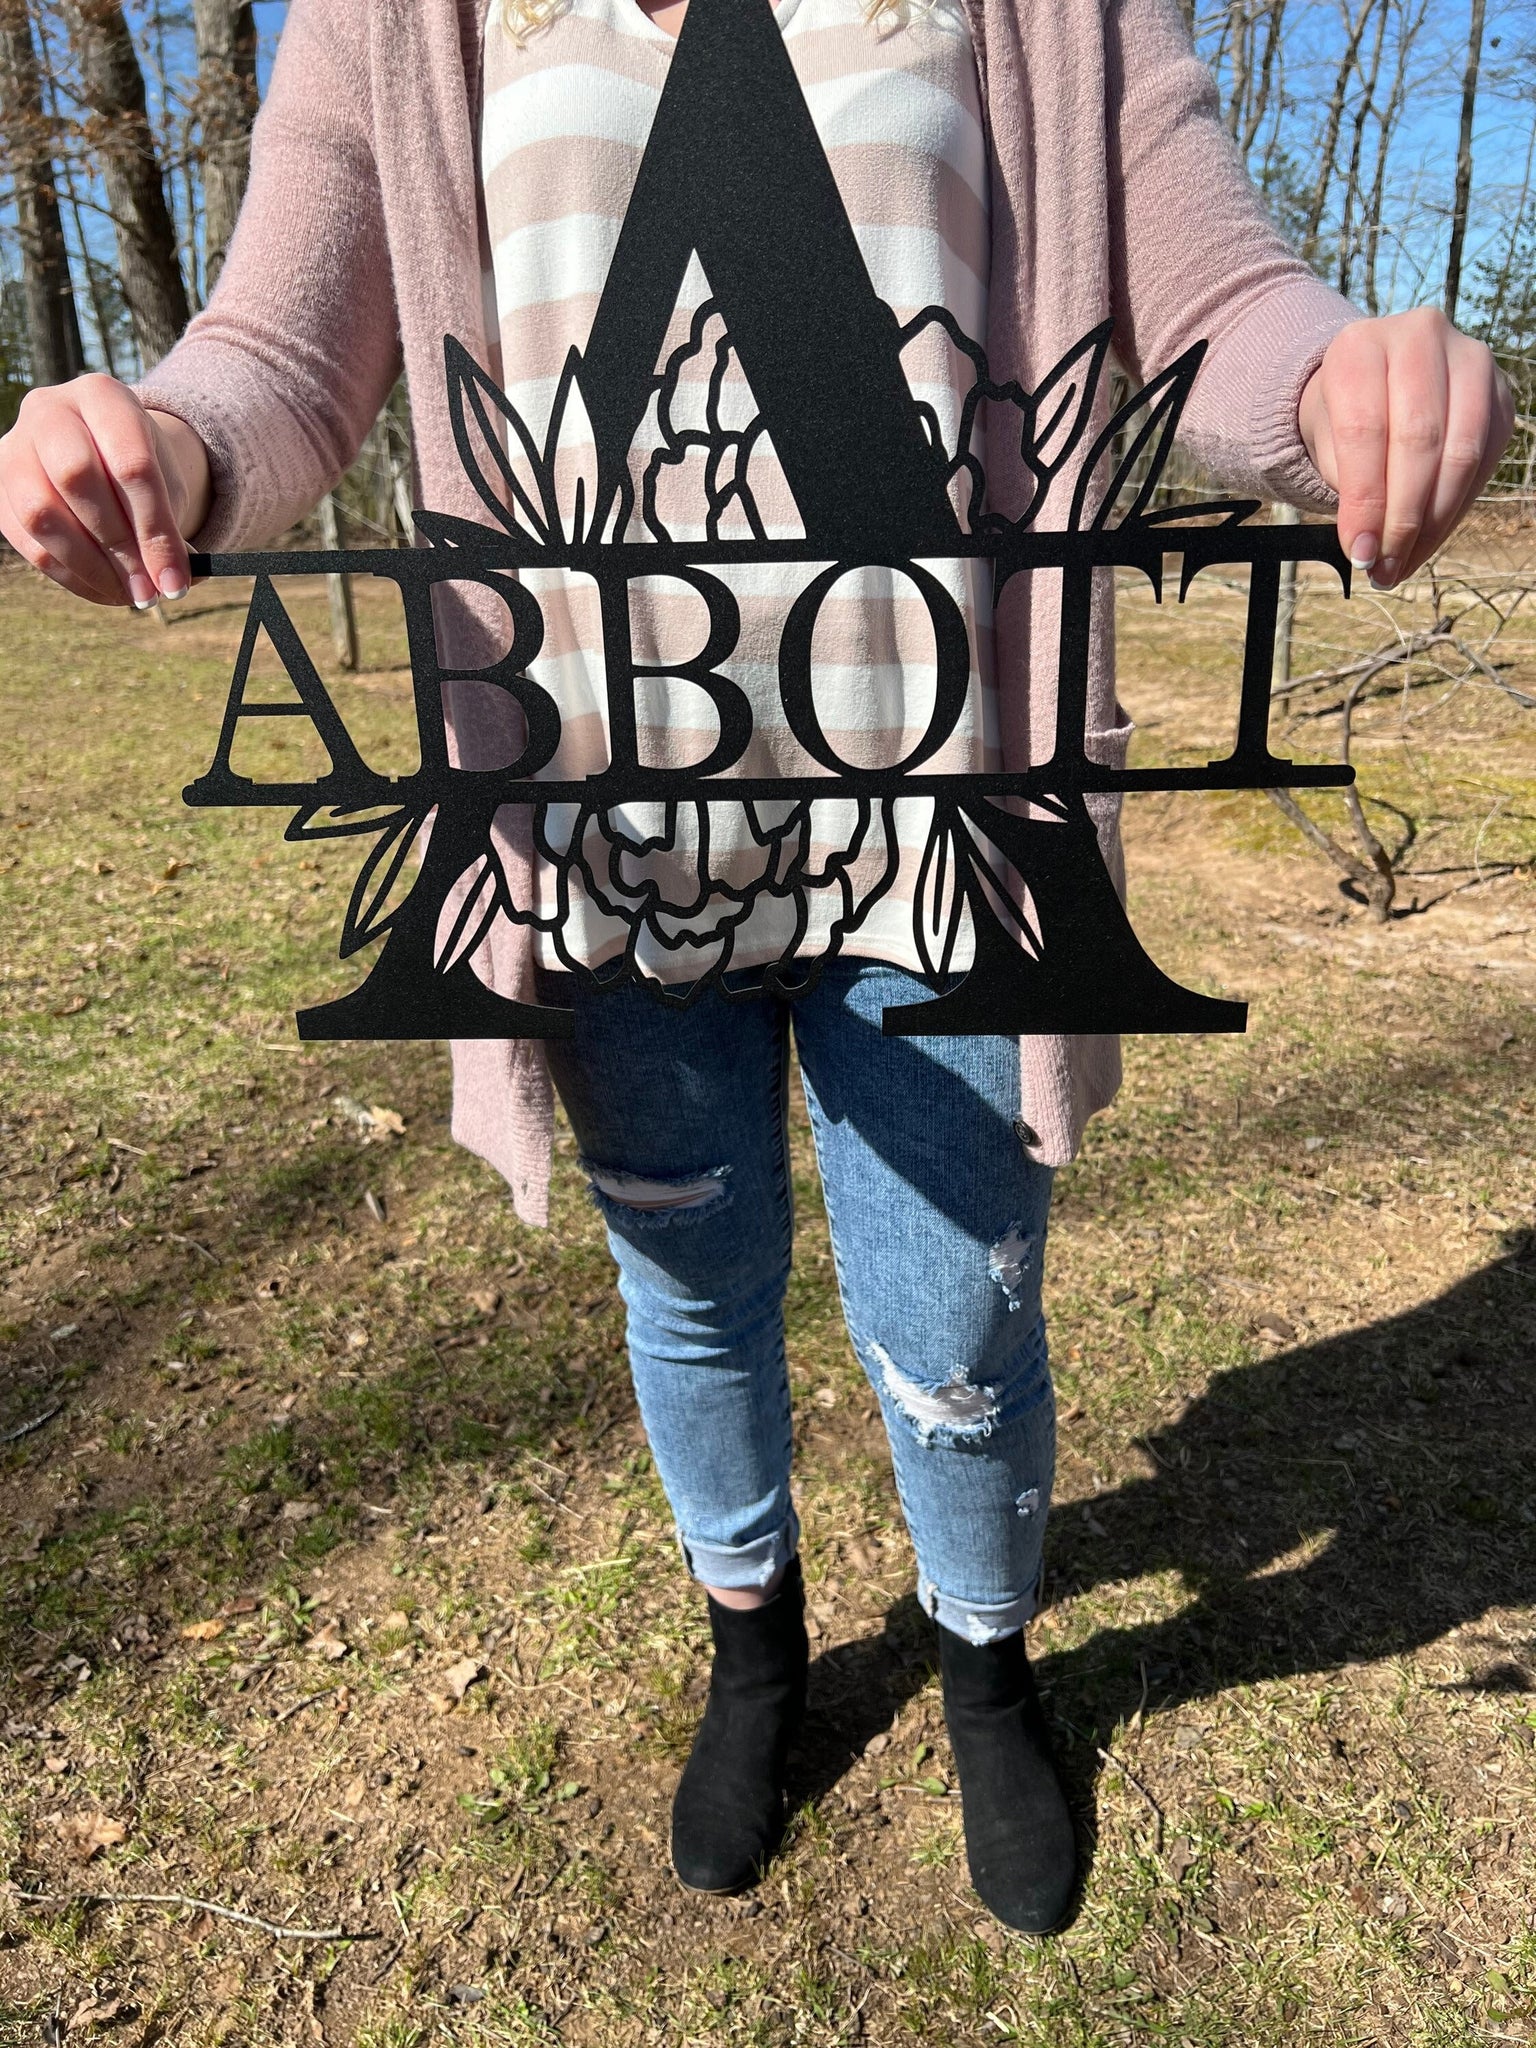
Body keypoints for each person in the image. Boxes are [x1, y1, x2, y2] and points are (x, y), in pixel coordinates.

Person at [0, 0, 1511, 1936]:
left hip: (938, 853)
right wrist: (163, 443)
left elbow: (1211, 290)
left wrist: (1340, 379)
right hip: (604, 863)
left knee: (961, 1333)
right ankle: (756, 1643)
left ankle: (984, 1664)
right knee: (693, 1296)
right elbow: (283, 361)